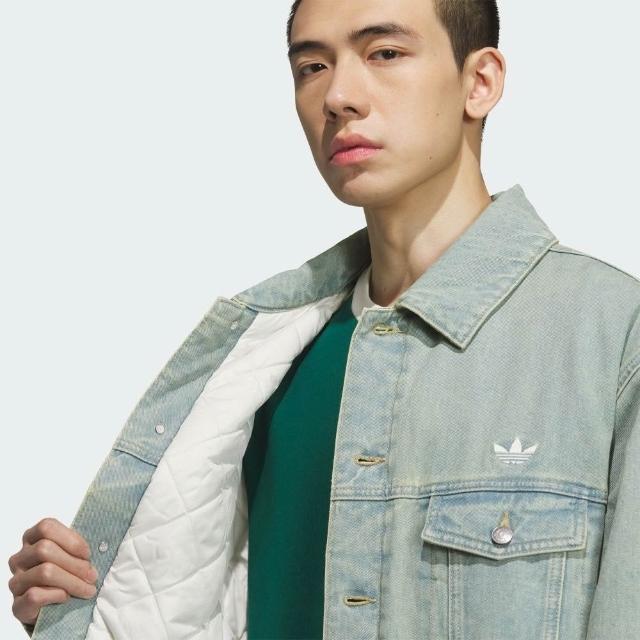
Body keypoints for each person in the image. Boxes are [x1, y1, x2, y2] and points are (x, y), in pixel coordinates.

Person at [8, 0, 639, 638]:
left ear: (480, 82)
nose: (338, 96)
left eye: (384, 53)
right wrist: (84, 612)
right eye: (312, 66)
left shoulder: (611, 337)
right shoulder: (254, 359)